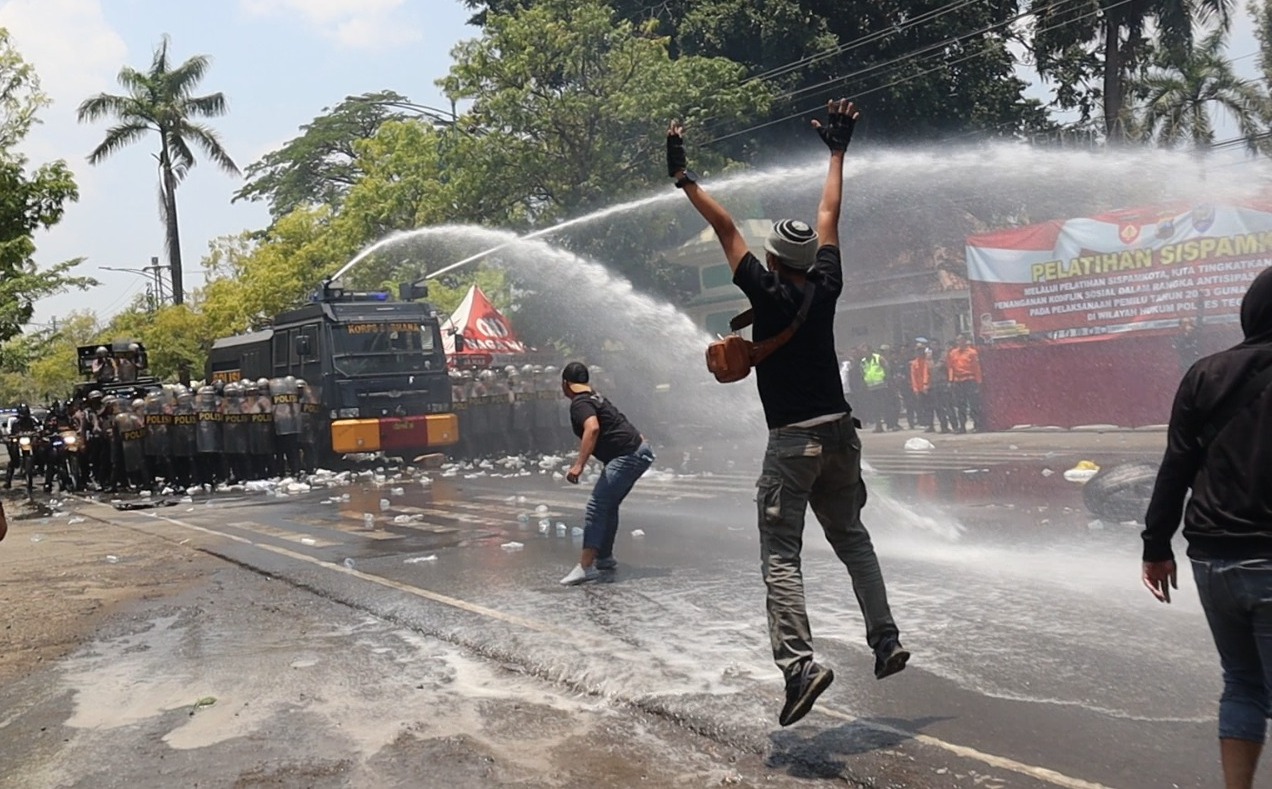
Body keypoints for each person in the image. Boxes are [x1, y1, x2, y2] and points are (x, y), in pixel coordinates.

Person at [670, 100, 907, 727]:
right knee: (853, 538)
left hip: (794, 443)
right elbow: (829, 214)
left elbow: (726, 230)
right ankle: (884, 639)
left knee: (781, 552)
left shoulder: (765, 290)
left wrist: (685, 180)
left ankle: (800, 666)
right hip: (841, 433)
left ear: (773, 261)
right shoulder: (825, 284)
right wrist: (837, 151)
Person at [1142, 267, 1272, 789]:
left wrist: (1155, 546)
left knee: (1242, 683)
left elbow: (1177, 465)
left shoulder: (1204, 373)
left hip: (1212, 559)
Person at [558, 361, 654, 586]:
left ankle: (585, 566)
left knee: (597, 505)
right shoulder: (595, 396)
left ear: (565, 385)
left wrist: (579, 465)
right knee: (608, 504)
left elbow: (592, 428)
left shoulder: (580, 402)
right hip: (638, 450)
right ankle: (604, 558)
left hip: (628, 455)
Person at [947, 334, 983, 433]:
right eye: (958, 340)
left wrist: (978, 381)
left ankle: (977, 425)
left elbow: (976, 367)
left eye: (961, 340)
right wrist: (951, 380)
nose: (959, 342)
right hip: (958, 381)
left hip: (970, 380)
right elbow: (951, 367)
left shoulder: (972, 352)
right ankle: (962, 426)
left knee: (973, 404)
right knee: (960, 405)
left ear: (965, 341)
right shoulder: (953, 353)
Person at [910, 342, 934, 433]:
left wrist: (926, 385)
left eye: (921, 350)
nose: (919, 352)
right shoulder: (914, 363)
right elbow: (913, 377)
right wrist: (915, 388)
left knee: (930, 407)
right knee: (924, 407)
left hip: (929, 387)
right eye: (918, 350)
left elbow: (928, 374)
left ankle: (931, 424)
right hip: (919, 389)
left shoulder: (928, 361)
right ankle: (928, 424)